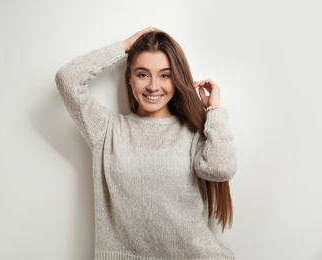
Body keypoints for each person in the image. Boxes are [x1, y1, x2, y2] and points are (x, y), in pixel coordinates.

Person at [55, 27, 237, 259]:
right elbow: (67, 79)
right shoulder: (107, 131)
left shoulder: (192, 134)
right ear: (129, 78)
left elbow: (221, 169)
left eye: (165, 75)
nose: (153, 86)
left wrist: (215, 111)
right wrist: (123, 46)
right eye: (142, 74)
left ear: (177, 79)